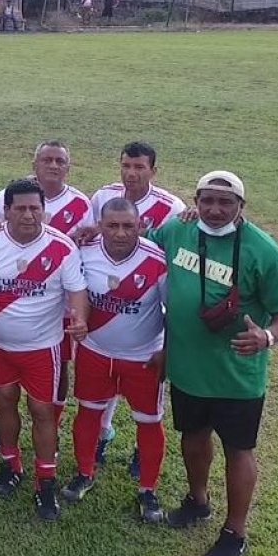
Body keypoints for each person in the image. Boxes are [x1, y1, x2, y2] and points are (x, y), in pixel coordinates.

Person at [146, 172, 278, 556]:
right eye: (208, 200)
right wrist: (91, 234)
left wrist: (268, 338)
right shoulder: (178, 230)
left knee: (238, 450)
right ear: (196, 200)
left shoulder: (263, 250)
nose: (215, 209)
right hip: (188, 367)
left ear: (242, 206)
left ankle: (235, 531)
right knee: (193, 437)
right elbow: (137, 248)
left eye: (226, 202)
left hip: (236, 375)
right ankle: (198, 500)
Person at [0, 179, 88, 521]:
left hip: (42, 349)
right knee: (4, 401)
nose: (29, 215)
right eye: (21, 208)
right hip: (0, 346)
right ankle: (11, 464)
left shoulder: (61, 247)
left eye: (35, 208)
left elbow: (77, 291)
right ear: (6, 211)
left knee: (42, 411)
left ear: (43, 210)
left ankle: (45, 481)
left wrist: (78, 318)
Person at [62, 198, 168, 523]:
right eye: (112, 225)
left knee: (149, 421)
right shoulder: (84, 251)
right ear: (101, 226)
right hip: (95, 351)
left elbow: (174, 310)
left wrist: (167, 351)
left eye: (128, 226)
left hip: (144, 357)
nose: (120, 233)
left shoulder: (157, 260)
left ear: (140, 226)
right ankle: (84, 472)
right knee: (88, 413)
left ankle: (147, 490)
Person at [87, 141, 186, 470]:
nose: (131, 173)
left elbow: (184, 242)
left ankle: (142, 452)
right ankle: (102, 434)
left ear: (153, 171)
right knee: (106, 380)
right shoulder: (103, 196)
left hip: (150, 298)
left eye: (139, 167)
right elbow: (90, 234)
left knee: (144, 391)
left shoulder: (170, 206)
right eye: (126, 166)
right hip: (106, 306)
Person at [0, 140, 94, 434]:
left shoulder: (82, 203)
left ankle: (52, 423)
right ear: (35, 165)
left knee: (59, 364)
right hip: (20, 296)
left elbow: (92, 239)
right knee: (8, 378)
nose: (53, 166)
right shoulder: (18, 192)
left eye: (60, 161)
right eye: (47, 160)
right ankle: (2, 425)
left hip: (59, 296)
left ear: (68, 168)